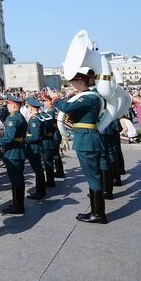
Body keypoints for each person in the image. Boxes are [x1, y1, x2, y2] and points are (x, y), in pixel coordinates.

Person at [54, 71, 107, 224]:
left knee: (93, 178)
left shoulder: (88, 97)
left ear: (79, 82)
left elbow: (66, 107)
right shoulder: (88, 97)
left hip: (87, 140)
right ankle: (96, 211)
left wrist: (55, 99)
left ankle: (98, 214)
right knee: (92, 177)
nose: (72, 85)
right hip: (86, 138)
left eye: (73, 83)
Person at [0, 95, 27, 214]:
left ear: (14, 105)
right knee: (19, 178)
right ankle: (17, 203)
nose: (7, 106)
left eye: (9, 104)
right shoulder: (21, 117)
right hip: (19, 150)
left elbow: (9, 138)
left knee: (15, 180)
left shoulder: (12, 119)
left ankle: (18, 206)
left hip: (12, 152)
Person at [23, 97, 47, 200]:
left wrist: (25, 139)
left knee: (38, 170)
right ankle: (41, 190)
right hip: (38, 146)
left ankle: (40, 191)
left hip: (34, 148)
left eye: (28, 106)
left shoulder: (34, 120)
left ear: (31, 107)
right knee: (39, 170)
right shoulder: (40, 117)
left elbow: (35, 136)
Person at [39, 96, 58, 186]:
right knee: (49, 161)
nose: (44, 103)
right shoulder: (48, 114)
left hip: (46, 140)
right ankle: (51, 180)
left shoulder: (47, 114)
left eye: (45, 101)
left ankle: (50, 181)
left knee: (48, 162)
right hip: (50, 139)